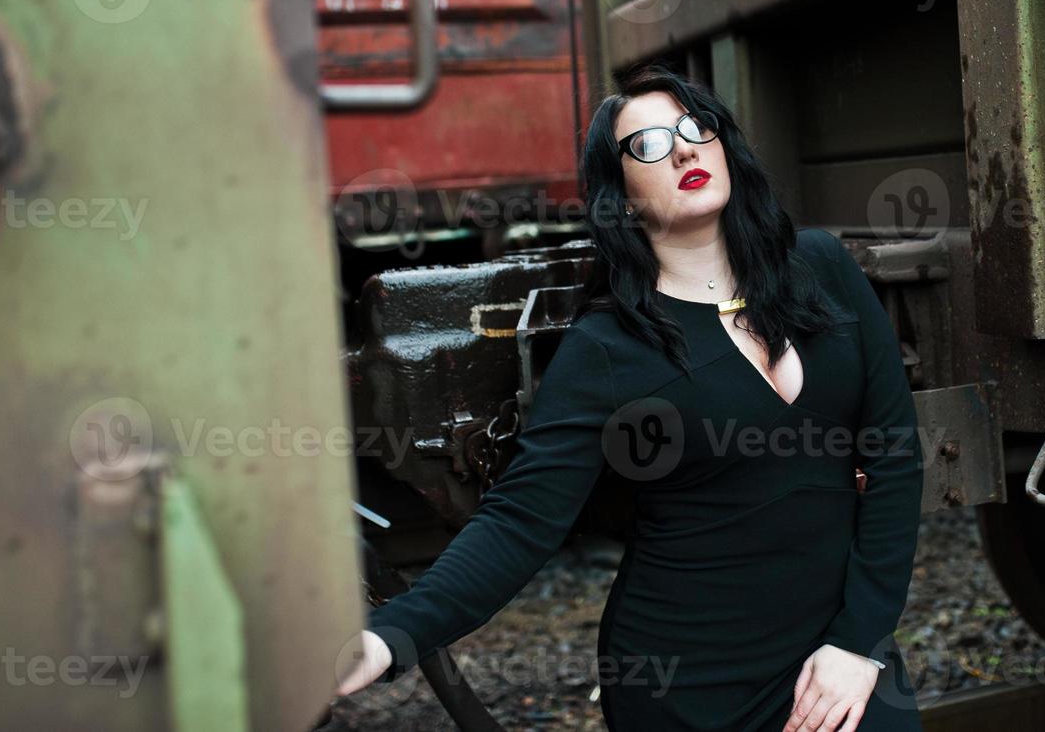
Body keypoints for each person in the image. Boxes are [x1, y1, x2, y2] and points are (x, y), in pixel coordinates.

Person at [334, 61, 924, 730]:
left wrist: (858, 642)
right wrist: (390, 637)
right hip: (691, 683)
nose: (680, 148)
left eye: (694, 127)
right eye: (645, 144)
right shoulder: (609, 345)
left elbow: (895, 461)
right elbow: (520, 521)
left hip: (837, 661)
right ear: (619, 193)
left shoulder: (822, 269)